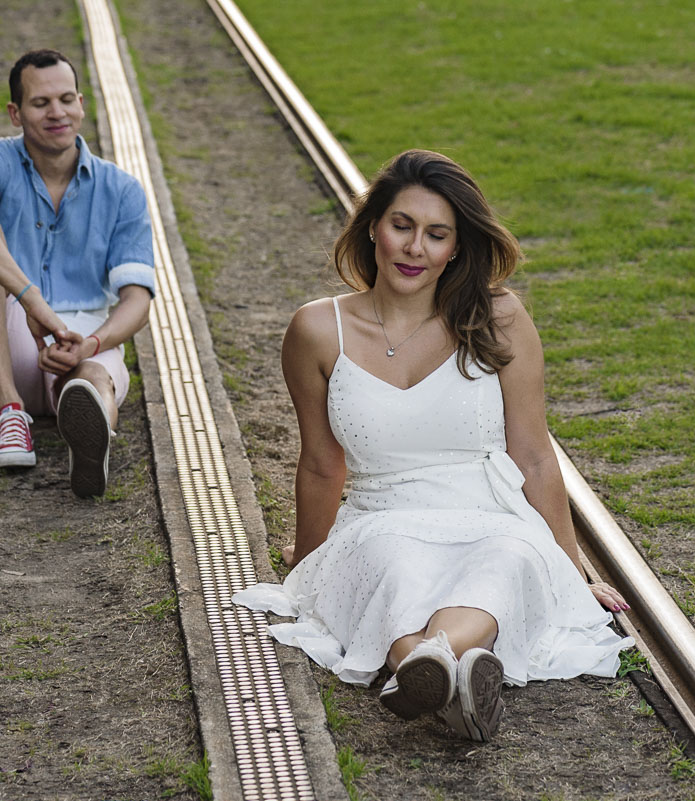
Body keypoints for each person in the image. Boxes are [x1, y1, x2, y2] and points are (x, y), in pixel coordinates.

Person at [233, 149, 634, 740]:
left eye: (436, 234)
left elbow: (533, 453)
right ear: (373, 227)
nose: (415, 248)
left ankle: (429, 666)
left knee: (505, 565)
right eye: (402, 226)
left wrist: (570, 568)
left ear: (455, 248)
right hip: (381, 514)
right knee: (390, 570)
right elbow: (321, 463)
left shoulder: (497, 316)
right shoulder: (317, 330)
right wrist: (313, 565)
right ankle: (455, 678)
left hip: (490, 512)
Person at [0, 49, 154, 497]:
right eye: (41, 103)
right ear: (16, 113)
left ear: (82, 103)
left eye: (67, 99)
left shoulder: (122, 189)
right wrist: (33, 302)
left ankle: (89, 442)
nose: (58, 113)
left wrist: (89, 343)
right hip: (8, 339)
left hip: (84, 341)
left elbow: (138, 301)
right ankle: (9, 411)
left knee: (93, 378)